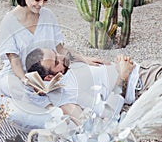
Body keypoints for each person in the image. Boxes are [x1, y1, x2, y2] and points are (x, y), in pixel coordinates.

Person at [0, 0, 105, 109]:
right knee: (15, 87)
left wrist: (84, 59)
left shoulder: (48, 15)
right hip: (19, 75)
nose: (41, 4)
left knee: (85, 73)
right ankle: (51, 109)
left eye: (45, 0)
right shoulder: (8, 22)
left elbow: (60, 49)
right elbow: (14, 61)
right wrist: (26, 80)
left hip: (49, 73)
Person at [25, 48, 162, 123]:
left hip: (143, 70)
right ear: (49, 77)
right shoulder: (67, 95)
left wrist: (119, 63)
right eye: (56, 62)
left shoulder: (66, 68)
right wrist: (122, 76)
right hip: (142, 85)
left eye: (56, 54)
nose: (61, 58)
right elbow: (109, 113)